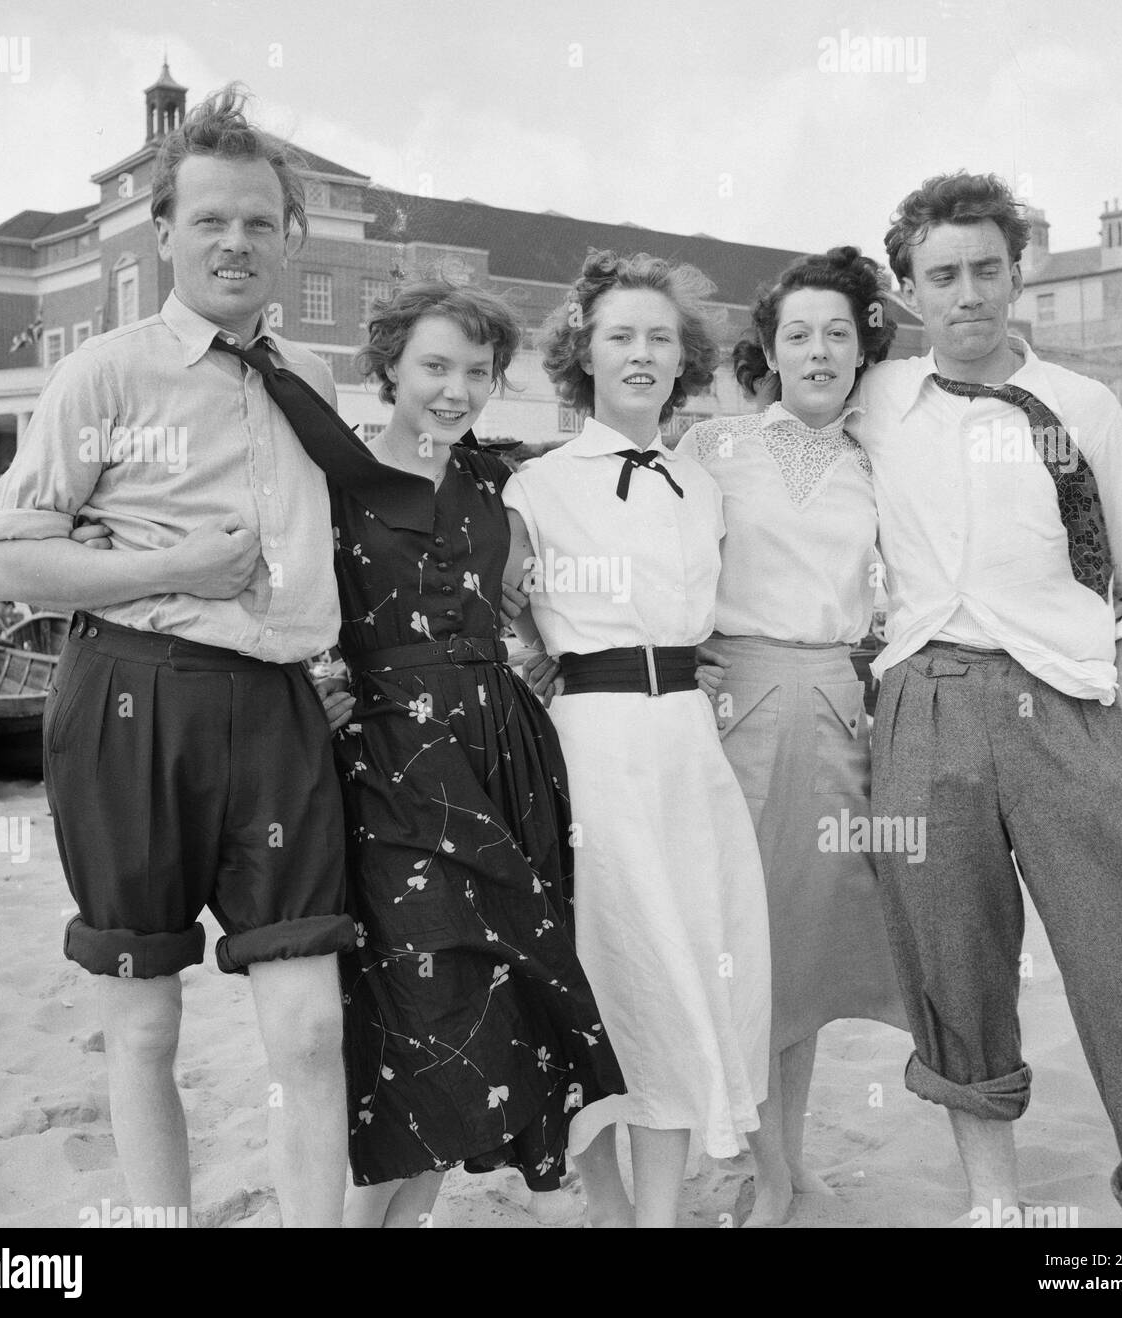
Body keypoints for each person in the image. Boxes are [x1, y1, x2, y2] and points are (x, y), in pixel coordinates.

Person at [0, 85, 356, 1227]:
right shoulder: (105, 373)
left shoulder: (313, 383)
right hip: (131, 700)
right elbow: (8, 561)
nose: (235, 241)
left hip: (280, 714)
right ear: (165, 234)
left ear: (288, 236)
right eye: (209, 221)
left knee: (311, 1022)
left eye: (257, 221)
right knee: (143, 1017)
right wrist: (176, 571)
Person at [853, 170, 1122, 1226]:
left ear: (1014, 275)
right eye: (940, 275)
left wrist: (1112, 728)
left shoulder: (1083, 405)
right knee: (952, 960)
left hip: (1065, 709)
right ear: (907, 290)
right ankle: (994, 1204)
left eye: (983, 270)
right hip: (922, 706)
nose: (965, 293)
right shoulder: (878, 404)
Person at [303, 277, 624, 1228]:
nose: (455, 389)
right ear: (389, 368)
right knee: (416, 1004)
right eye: (434, 366)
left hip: (502, 753)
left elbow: (602, 532)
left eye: (476, 371)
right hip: (390, 763)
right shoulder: (337, 480)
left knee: (488, 1005)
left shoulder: (505, 485)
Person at [502, 250, 772, 1228]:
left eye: (659, 336)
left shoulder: (701, 484)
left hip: (686, 749)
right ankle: (607, 1207)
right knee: (607, 971)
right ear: (583, 350)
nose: (641, 353)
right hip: (590, 746)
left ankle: (655, 1218)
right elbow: (501, 628)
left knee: (679, 971)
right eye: (620, 334)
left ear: (681, 356)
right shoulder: (532, 487)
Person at [675, 247, 908, 1227]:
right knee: (739, 947)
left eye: (838, 334)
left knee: (804, 958)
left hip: (835, 715)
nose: (817, 350)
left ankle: (787, 1160)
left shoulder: (875, 465)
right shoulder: (712, 446)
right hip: (732, 709)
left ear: (864, 351)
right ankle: (763, 1171)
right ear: (767, 348)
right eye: (797, 333)